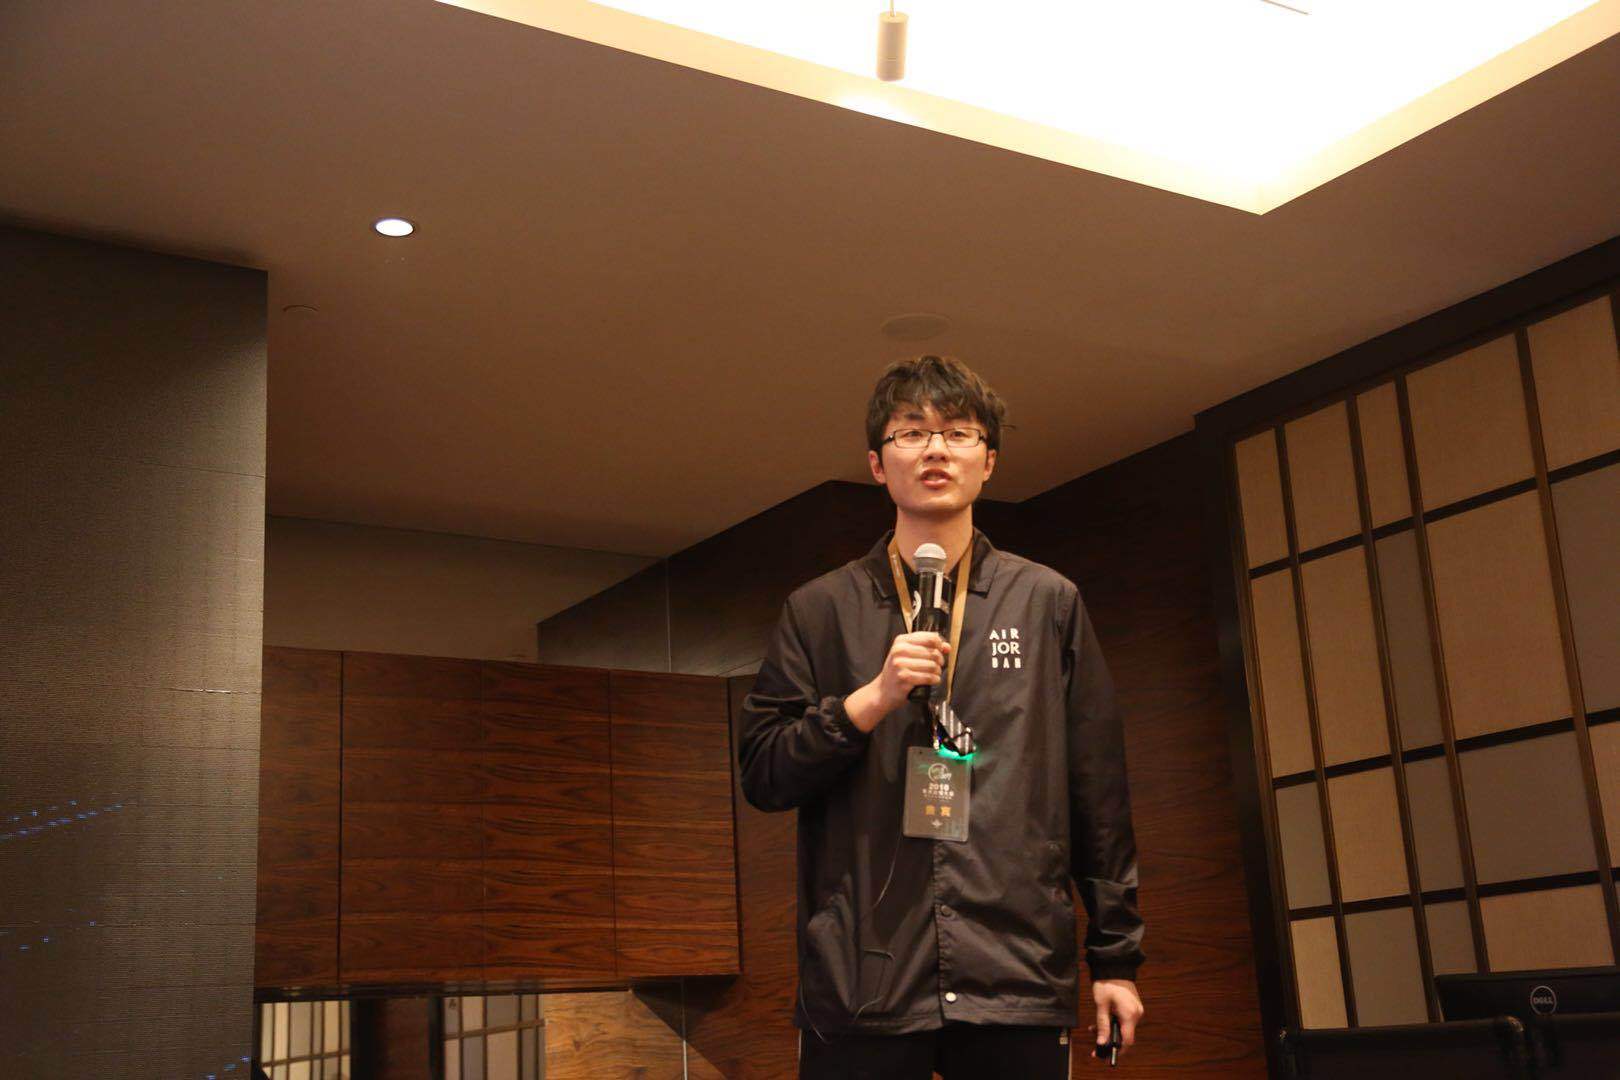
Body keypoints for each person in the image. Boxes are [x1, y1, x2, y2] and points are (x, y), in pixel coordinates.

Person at [738, 354, 1145, 1078]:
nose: (935, 449)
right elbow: (764, 775)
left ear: (988, 461)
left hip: (1015, 970)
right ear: (877, 463)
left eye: (958, 433)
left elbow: (1098, 792)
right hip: (863, 975)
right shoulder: (819, 609)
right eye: (911, 432)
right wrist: (868, 702)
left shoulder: (1047, 602)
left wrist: (1115, 960)